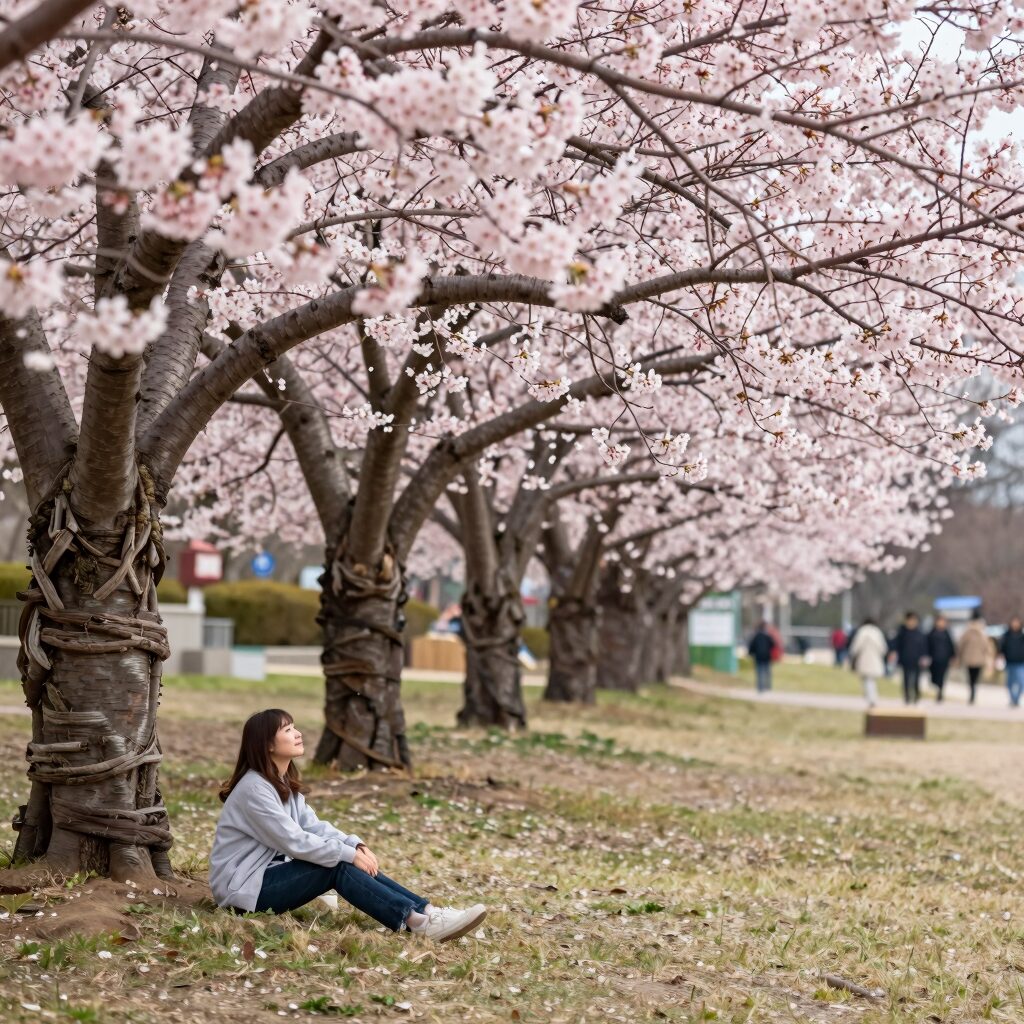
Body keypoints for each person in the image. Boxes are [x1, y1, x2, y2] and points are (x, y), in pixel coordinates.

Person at [209, 709, 487, 940]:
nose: (298, 734)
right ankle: (416, 922)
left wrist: (355, 844)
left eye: (294, 728)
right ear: (267, 744)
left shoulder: (281, 784)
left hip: (264, 879)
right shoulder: (254, 790)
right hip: (243, 893)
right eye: (288, 730)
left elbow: (314, 826)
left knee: (343, 858)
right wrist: (348, 855)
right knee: (338, 865)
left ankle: (427, 911)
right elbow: (293, 841)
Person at [847, 616, 887, 708]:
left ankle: (871, 698)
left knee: (867, 680)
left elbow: (856, 646)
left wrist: (852, 655)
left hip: (864, 658)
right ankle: (871, 697)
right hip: (875, 659)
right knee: (871, 680)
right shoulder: (877, 632)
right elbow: (883, 648)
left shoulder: (862, 631)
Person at [890, 611, 927, 705]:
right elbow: (895, 644)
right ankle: (907, 696)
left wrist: (924, 657)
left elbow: (924, 646)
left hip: (917, 660)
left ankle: (916, 695)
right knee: (906, 679)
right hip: (905, 659)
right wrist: (893, 652)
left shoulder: (920, 633)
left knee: (916, 679)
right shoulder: (902, 632)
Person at [957, 612, 989, 705]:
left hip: (973, 659)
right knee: (973, 678)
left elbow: (960, 645)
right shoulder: (971, 633)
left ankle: (972, 692)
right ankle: (972, 692)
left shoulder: (978, 632)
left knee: (972, 678)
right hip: (973, 659)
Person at [926, 614, 956, 702]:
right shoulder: (932, 633)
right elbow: (927, 645)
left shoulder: (947, 634)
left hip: (944, 658)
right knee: (934, 676)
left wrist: (953, 656)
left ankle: (940, 693)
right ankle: (936, 685)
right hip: (934, 659)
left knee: (942, 677)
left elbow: (951, 646)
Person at [1000, 616, 1024, 708]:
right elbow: (1002, 647)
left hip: (1020, 662)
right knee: (1009, 682)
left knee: (1021, 682)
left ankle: (1016, 699)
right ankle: (1012, 699)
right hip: (1009, 661)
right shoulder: (1006, 635)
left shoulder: (1022, 635)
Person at [748, 621, 775, 693]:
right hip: (766, 657)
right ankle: (768, 687)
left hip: (758, 657)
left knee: (760, 673)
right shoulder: (767, 636)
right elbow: (773, 644)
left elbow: (752, 646)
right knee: (767, 672)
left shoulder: (756, 636)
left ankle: (760, 688)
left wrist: (750, 653)